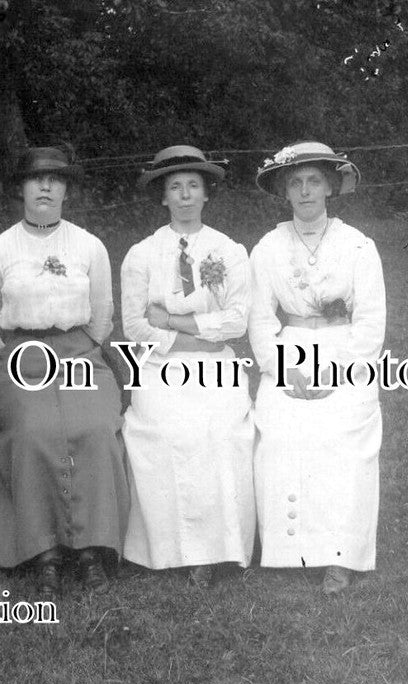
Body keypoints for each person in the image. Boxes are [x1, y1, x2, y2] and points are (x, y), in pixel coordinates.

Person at [0, 145, 129, 595]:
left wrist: (84, 350)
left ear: (66, 190)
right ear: (20, 189)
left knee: (95, 426)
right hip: (20, 357)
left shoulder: (89, 246)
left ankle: (92, 549)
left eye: (55, 179)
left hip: (80, 353)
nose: (45, 186)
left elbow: (102, 316)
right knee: (32, 428)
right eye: (35, 179)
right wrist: (11, 358)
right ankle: (44, 552)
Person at [249, 141, 386, 595]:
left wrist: (337, 371)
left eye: (314, 181)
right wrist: (286, 370)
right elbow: (261, 319)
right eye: (296, 183)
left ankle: (340, 555)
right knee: (280, 429)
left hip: (344, 353)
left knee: (341, 436)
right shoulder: (268, 247)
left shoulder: (358, 245)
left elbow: (370, 322)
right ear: (285, 192)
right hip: (291, 349)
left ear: (330, 187)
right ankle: (289, 551)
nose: (305, 191)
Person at [119, 145, 255, 588]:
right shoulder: (142, 254)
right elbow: (137, 325)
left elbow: (237, 320)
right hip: (161, 367)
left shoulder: (228, 250)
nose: (184, 196)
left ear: (205, 194)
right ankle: (169, 549)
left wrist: (178, 322)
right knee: (167, 432)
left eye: (192, 186)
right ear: (163, 197)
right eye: (175, 187)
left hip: (216, 366)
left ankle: (219, 550)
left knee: (217, 433)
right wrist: (186, 338)